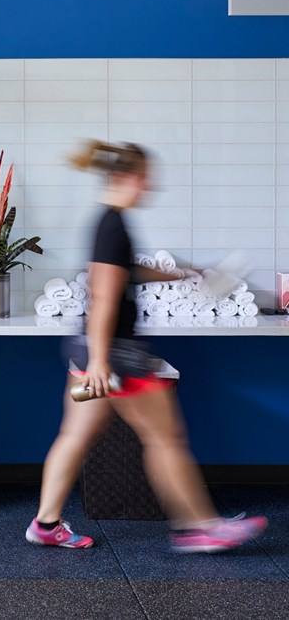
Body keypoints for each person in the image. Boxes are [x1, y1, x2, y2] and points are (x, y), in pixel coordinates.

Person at [25, 140, 267, 553]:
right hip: (116, 355)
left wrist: (174, 274)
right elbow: (103, 294)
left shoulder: (108, 223)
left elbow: (120, 272)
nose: (150, 187)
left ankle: (46, 523)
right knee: (166, 438)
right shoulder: (113, 225)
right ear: (125, 178)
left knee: (74, 436)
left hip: (89, 349)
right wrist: (102, 361)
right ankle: (199, 526)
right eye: (145, 178)